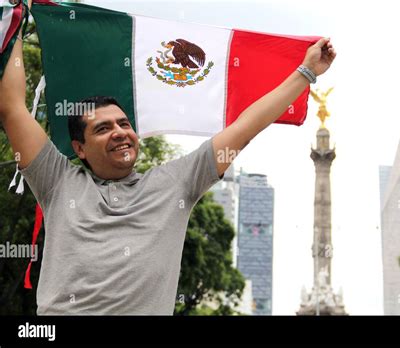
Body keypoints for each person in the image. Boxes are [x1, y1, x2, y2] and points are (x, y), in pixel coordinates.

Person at [0, 2, 336, 315]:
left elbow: (246, 126)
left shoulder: (175, 183)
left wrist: (306, 72)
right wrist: (15, 18)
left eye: (124, 124)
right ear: (80, 149)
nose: (119, 132)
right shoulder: (57, 182)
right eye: (103, 129)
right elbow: (12, 107)